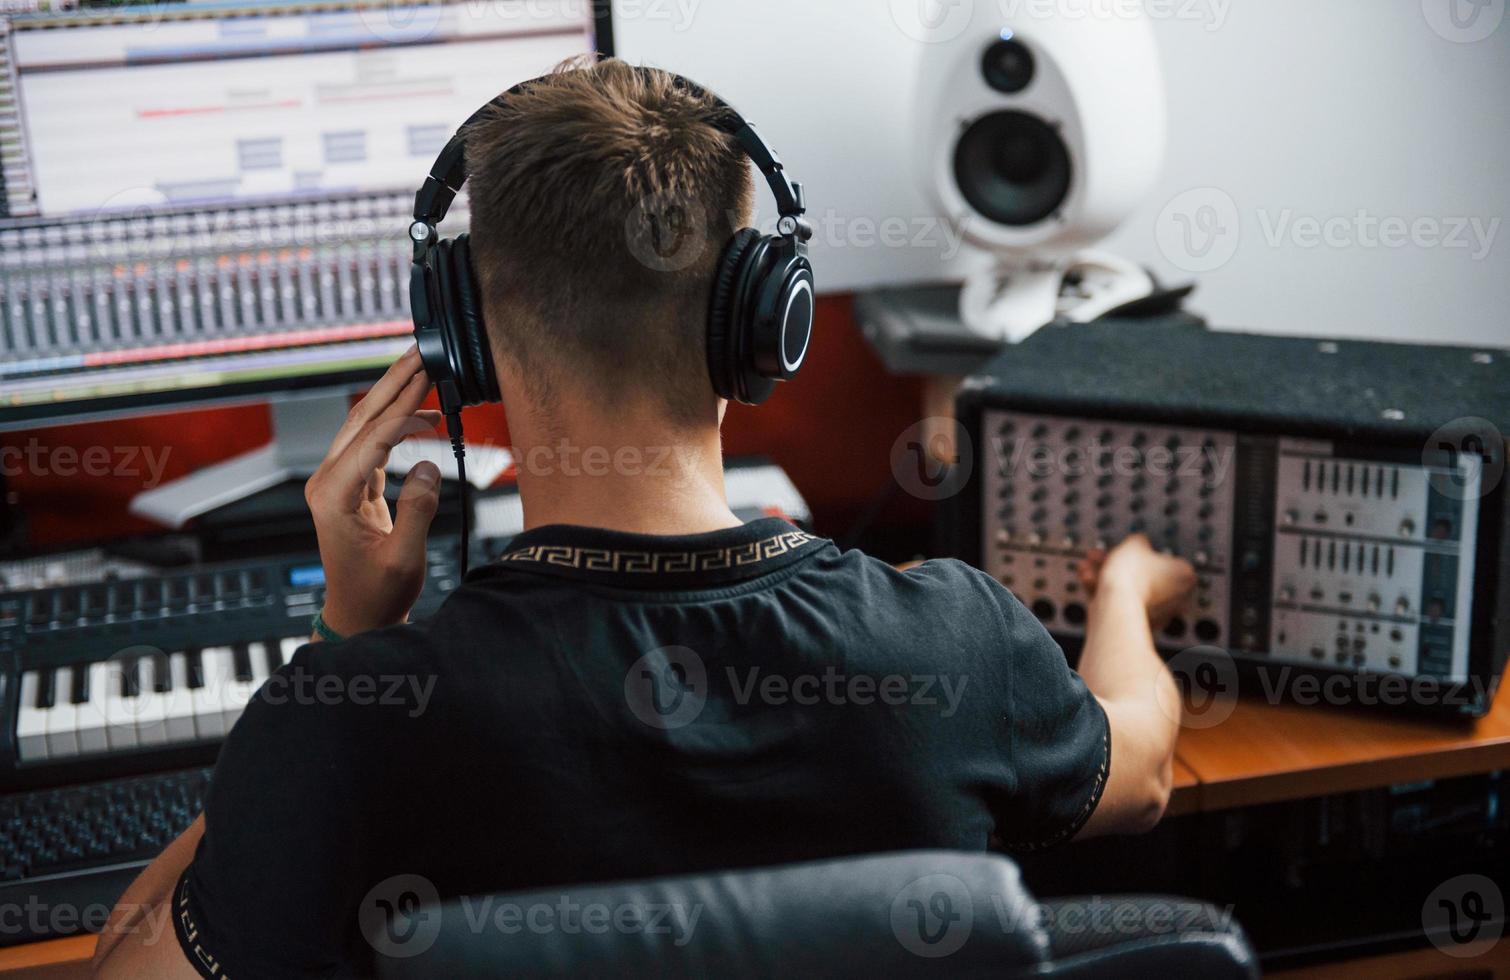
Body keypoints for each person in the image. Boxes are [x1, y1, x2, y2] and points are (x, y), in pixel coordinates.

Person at [92, 58, 1195, 978]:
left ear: (461, 343)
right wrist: (1122, 590)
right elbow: (1139, 770)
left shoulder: (351, 721)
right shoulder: (957, 641)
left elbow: (124, 964)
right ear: (763, 323)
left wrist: (347, 636)